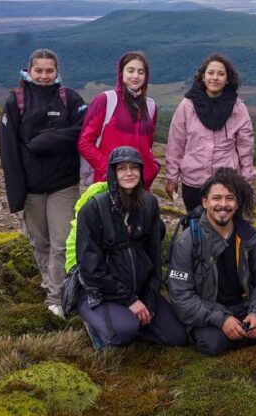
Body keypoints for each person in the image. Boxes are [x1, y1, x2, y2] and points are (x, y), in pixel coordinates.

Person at [0, 48, 87, 316]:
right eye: (40, 70)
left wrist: (45, 141)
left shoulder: (70, 99)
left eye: (50, 71)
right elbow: (8, 151)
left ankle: (56, 298)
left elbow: (84, 130)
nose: (45, 76)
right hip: (31, 189)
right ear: (29, 70)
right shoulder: (16, 102)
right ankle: (52, 281)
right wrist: (15, 196)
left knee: (61, 242)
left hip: (63, 185)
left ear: (57, 71)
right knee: (40, 243)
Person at [166, 168, 256, 356]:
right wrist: (221, 319)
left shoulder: (248, 235)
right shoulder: (188, 240)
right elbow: (181, 296)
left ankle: (240, 332)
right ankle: (240, 334)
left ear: (238, 203)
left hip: (244, 307)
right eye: (216, 198)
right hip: (210, 312)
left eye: (230, 198)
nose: (223, 205)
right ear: (205, 202)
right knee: (212, 343)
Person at [74, 146, 188, 349]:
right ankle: (99, 326)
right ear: (112, 173)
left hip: (140, 289)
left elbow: (154, 259)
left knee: (177, 337)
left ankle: (133, 321)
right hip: (100, 293)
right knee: (124, 333)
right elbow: (90, 269)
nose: (129, 173)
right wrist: (130, 300)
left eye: (134, 167)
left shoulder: (149, 205)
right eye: (122, 168)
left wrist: (149, 302)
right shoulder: (93, 209)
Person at [165, 53, 256, 213]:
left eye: (221, 74)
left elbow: (245, 145)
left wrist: (247, 178)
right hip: (194, 181)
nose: (215, 78)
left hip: (227, 182)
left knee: (226, 228)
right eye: (211, 73)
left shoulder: (237, 108)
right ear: (202, 76)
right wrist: (172, 177)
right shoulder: (187, 106)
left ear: (228, 79)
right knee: (195, 227)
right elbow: (176, 143)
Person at [78, 51, 159, 190]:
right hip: (108, 183)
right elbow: (85, 142)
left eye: (141, 72)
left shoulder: (150, 106)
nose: (135, 76)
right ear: (121, 73)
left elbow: (148, 146)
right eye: (130, 70)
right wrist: (109, 169)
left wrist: (152, 169)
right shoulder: (107, 100)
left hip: (140, 184)